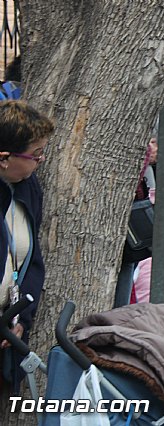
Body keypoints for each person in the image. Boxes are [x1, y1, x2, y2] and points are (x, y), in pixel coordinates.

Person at [0, 101, 54, 394]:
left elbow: (30, 261)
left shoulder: (28, 187)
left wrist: (21, 317)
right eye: (35, 155)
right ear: (4, 158)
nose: (41, 160)